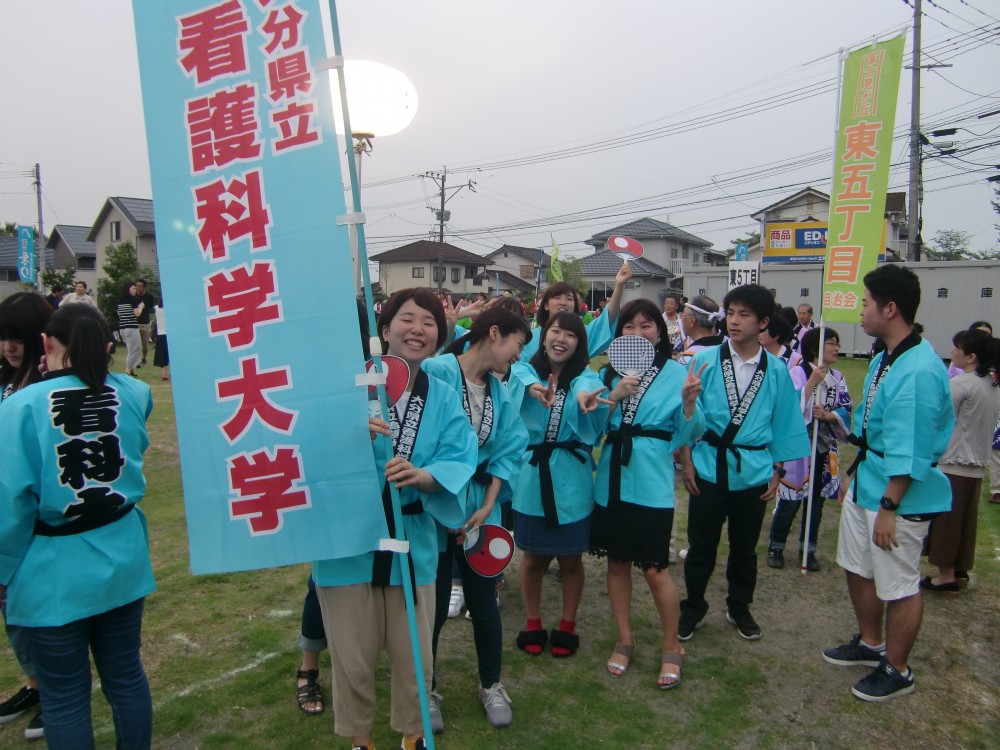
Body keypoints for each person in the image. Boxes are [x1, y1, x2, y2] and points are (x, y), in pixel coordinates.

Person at [312, 288, 477, 750]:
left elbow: (460, 452)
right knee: (352, 657)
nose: (418, 329)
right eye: (407, 319)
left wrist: (426, 476)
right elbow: (308, 450)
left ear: (439, 336)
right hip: (348, 541)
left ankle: (413, 734)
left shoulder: (442, 397)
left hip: (412, 540)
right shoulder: (344, 388)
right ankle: (360, 739)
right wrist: (347, 432)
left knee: (415, 656)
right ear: (384, 330)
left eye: (429, 322)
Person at [0, 303, 155, 747]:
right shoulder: (132, 392)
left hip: (52, 568)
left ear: (45, 345)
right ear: (108, 345)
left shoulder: (20, 407)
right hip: (121, 556)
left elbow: (10, 505)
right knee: (126, 677)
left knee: (65, 696)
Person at [823, 264, 954, 702]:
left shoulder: (918, 370)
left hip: (898, 494)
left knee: (898, 580)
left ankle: (897, 669)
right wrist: (852, 472)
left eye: (865, 303)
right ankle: (869, 642)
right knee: (856, 564)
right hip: (870, 478)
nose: (860, 312)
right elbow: (870, 427)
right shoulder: (883, 357)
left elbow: (911, 446)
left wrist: (890, 507)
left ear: (890, 308)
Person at [678, 284, 810, 641]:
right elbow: (689, 418)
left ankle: (739, 605)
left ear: (763, 322)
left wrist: (779, 469)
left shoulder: (777, 371)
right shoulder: (703, 361)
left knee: (744, 548)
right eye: (730, 313)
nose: (734, 322)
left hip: (752, 469)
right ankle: (692, 606)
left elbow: (784, 422)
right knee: (701, 545)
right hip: (707, 465)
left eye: (744, 315)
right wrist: (687, 457)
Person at [424, 308, 532, 730]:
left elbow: (509, 448)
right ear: (493, 333)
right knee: (430, 604)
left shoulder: (500, 393)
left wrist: (487, 507)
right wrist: (447, 502)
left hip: (476, 512)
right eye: (517, 345)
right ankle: (425, 688)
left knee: (484, 603)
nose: (518, 356)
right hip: (432, 505)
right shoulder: (436, 371)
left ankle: (491, 683)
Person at [590, 299, 705, 689]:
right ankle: (625, 637)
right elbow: (592, 427)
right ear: (618, 333)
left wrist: (689, 404)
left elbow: (688, 433)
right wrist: (615, 394)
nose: (638, 333)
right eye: (629, 326)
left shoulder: (677, 374)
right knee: (617, 563)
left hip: (652, 477)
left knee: (655, 569)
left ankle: (672, 645)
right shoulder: (608, 374)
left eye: (647, 326)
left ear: (660, 332)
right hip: (611, 478)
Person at [509, 312, 610, 658]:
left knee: (570, 561)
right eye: (555, 331)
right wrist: (536, 388)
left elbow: (587, 387)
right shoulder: (525, 370)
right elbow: (518, 379)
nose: (561, 339)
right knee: (533, 558)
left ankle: (568, 624)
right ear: (544, 335)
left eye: (571, 334)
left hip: (571, 479)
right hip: (533, 477)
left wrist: (584, 399)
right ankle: (533, 621)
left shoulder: (586, 376)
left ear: (579, 343)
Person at [0, 292, 53, 740]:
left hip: (32, 517)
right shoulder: (7, 381)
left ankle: (53, 692)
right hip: (6, 510)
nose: (9, 347)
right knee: (12, 613)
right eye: (3, 339)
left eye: (17, 339)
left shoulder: (45, 387)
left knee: (36, 612)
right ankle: (35, 685)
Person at [766, 327, 852, 571]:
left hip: (823, 446)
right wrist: (811, 384)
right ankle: (776, 546)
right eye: (832, 343)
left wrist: (829, 415)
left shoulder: (837, 377)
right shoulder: (797, 372)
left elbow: (846, 406)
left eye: (837, 343)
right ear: (816, 347)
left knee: (816, 501)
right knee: (790, 500)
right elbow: (787, 405)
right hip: (798, 448)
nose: (836, 348)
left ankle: (808, 549)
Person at [921, 328, 1000, 591]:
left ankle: (945, 575)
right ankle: (959, 570)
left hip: (954, 461)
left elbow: (940, 420)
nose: (952, 352)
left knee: (947, 522)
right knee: (965, 522)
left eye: (957, 348)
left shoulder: (961, 384)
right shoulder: (991, 384)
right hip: (976, 463)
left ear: (971, 357)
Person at [521, 262, 631, 361]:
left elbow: (606, 320)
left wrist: (619, 285)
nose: (563, 302)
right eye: (557, 297)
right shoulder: (530, 338)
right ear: (545, 305)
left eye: (569, 299)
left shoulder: (582, 336)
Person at [117, 283, 143, 377]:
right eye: (133, 288)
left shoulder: (120, 301)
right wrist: (141, 307)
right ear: (128, 289)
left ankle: (132, 369)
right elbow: (137, 314)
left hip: (122, 328)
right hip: (131, 328)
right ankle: (128, 371)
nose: (134, 290)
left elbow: (119, 314)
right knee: (135, 349)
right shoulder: (133, 300)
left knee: (131, 349)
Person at [134, 280, 156, 366]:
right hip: (135, 323)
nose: (138, 288)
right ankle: (136, 360)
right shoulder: (133, 297)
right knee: (136, 344)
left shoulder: (149, 297)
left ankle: (144, 358)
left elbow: (151, 308)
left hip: (145, 323)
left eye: (140, 286)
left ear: (144, 287)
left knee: (144, 344)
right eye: (137, 286)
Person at [153, 301, 169, 381]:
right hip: (169, 334)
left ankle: (164, 374)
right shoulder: (168, 308)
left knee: (161, 356)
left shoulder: (156, 308)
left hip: (160, 334)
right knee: (170, 355)